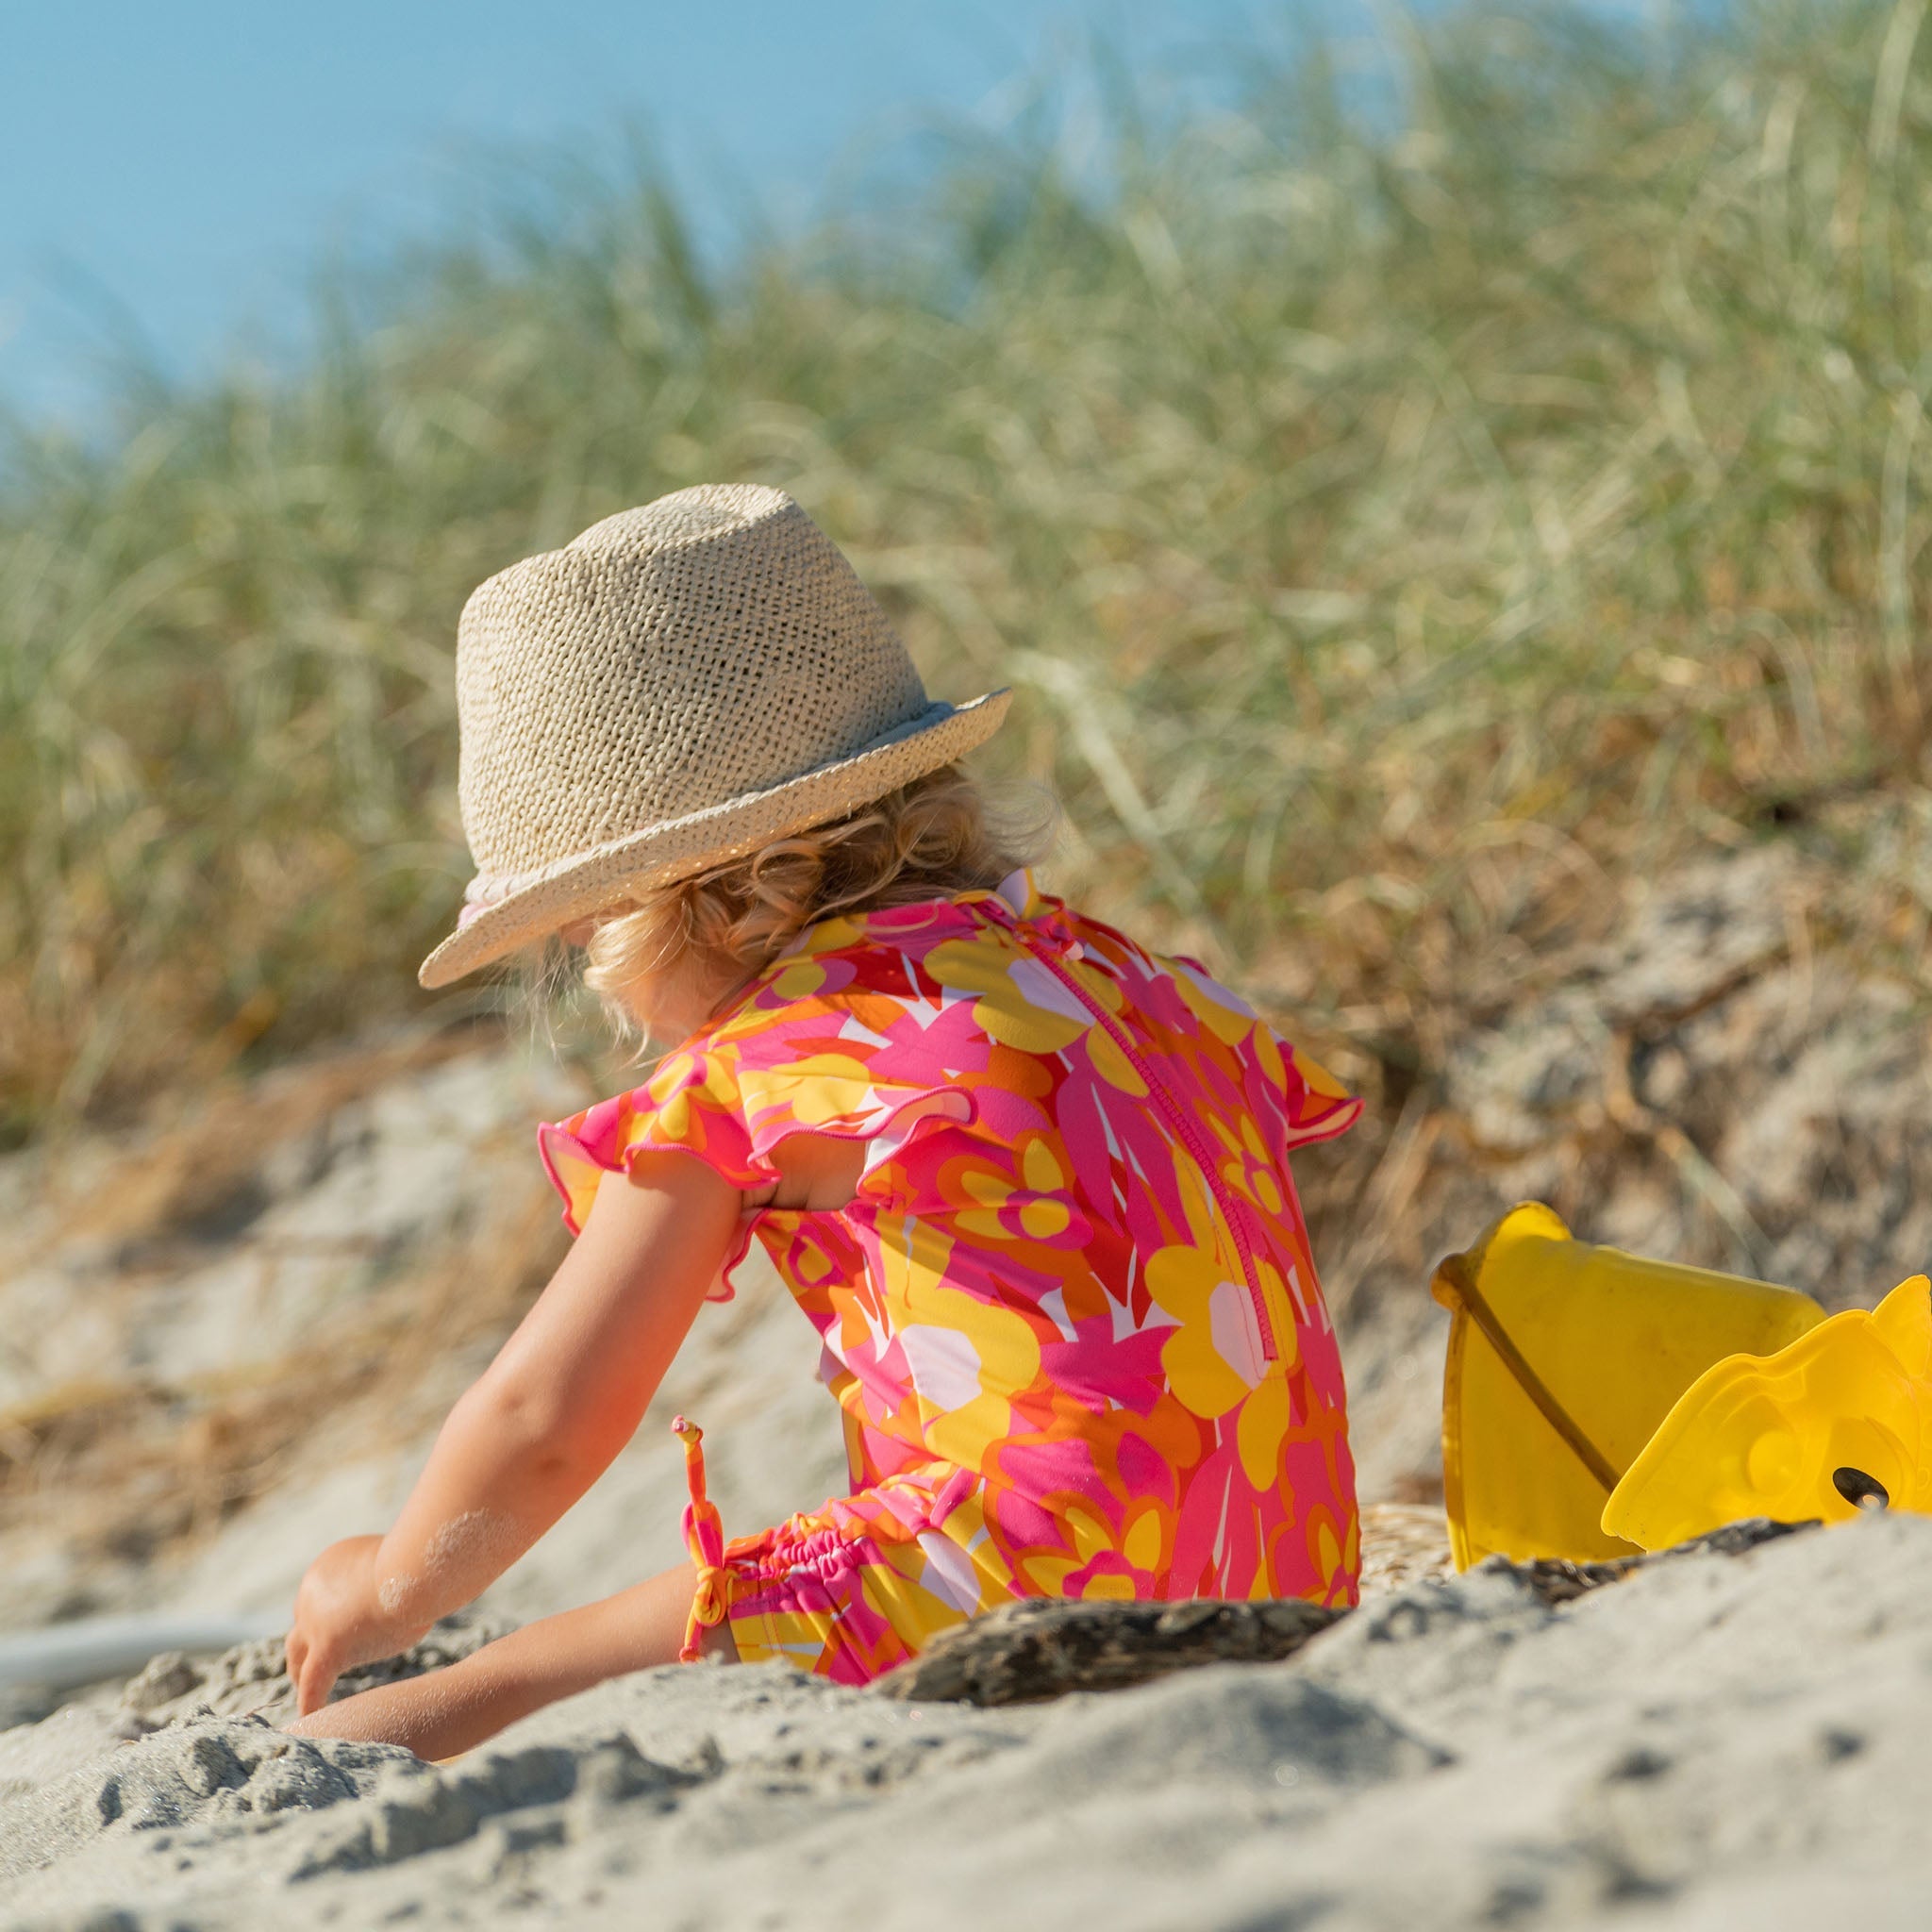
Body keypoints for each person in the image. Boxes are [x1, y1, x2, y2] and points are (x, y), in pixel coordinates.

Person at [285, 483, 1361, 1759]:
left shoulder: (761, 1075)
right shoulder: (1119, 977)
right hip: (1285, 1563)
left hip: (1006, 1579)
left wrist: (392, 1585)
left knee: (451, 1706)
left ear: (668, 907)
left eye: (579, 940)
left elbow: (545, 1424)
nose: (601, 990)